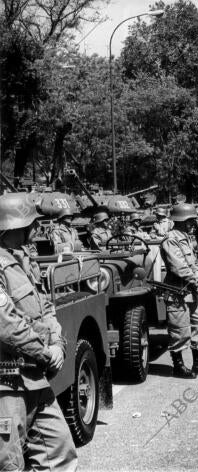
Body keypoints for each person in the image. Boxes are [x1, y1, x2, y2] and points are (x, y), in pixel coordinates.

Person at [0, 193, 78, 471]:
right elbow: (7, 325)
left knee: (60, 452)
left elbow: (46, 307)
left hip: (34, 378)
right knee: (10, 464)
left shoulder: (24, 259)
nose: (38, 228)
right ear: (14, 226)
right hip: (7, 384)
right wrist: (46, 353)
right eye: (31, 223)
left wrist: (57, 342)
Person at [160, 203, 198, 378]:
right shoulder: (171, 239)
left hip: (190, 291)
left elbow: (193, 263)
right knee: (180, 331)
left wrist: (197, 279)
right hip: (177, 292)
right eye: (190, 220)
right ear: (180, 220)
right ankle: (178, 366)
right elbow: (178, 266)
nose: (192, 224)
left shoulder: (185, 237)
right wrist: (194, 280)